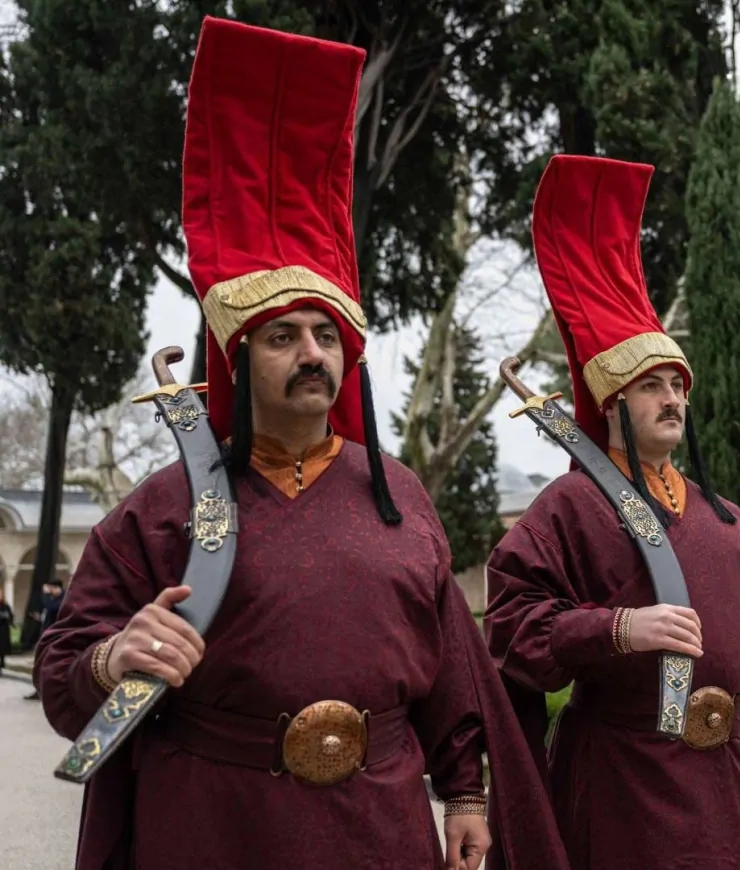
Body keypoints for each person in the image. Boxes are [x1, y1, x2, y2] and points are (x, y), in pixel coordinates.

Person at [33, 17, 569, 870]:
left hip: (380, 826)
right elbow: (62, 669)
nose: (312, 352)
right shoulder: (163, 508)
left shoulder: (399, 493)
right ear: (236, 359)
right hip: (212, 823)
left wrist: (464, 791)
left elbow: (452, 665)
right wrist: (111, 655)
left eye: (325, 334)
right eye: (283, 337)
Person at [484, 155, 740, 870]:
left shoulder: (729, 522)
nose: (674, 398)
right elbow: (511, 632)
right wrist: (616, 629)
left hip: (728, 782)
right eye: (652, 385)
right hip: (619, 782)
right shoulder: (568, 508)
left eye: (679, 383)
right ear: (612, 402)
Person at [0, 588, 13, 670]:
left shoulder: (6, 605)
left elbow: (10, 615)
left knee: (2, 646)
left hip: (3, 629)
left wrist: (7, 617)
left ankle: (2, 661)